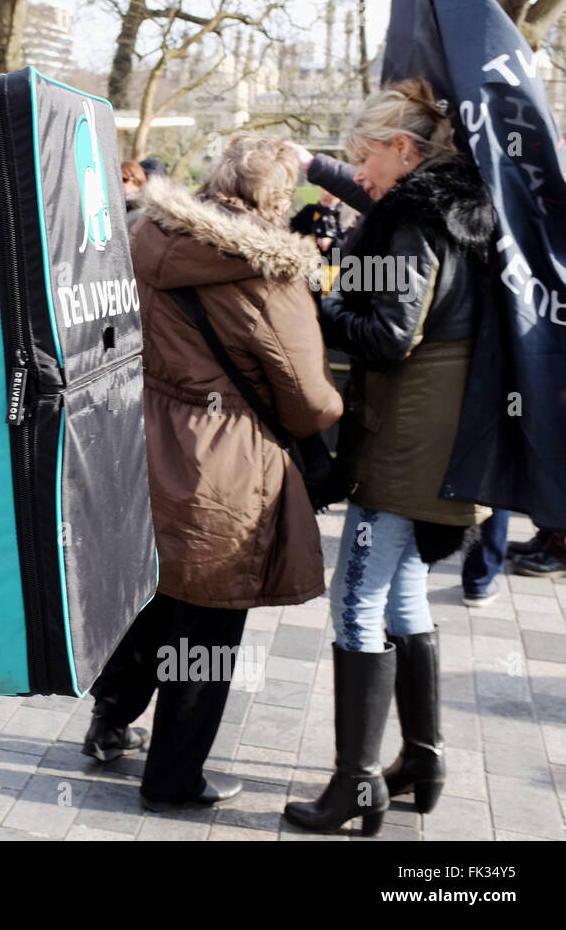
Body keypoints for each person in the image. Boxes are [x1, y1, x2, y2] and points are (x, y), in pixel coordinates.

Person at [81, 134, 343, 811]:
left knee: (154, 594)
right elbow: (309, 398)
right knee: (209, 620)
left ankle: (110, 719)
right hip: (222, 462)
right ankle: (172, 778)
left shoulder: (142, 235)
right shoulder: (270, 276)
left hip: (142, 438)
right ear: (279, 200)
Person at [282, 79, 496, 835]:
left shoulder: (412, 218)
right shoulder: (454, 206)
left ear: (403, 151)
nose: (360, 176)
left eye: (364, 159)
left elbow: (386, 334)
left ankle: (357, 786)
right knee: (403, 596)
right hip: (441, 431)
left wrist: (316, 299)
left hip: (408, 438)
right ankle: (424, 759)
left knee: (356, 602)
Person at [291, 188, 348, 253]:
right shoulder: (309, 211)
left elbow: (355, 250)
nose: (326, 194)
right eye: (324, 188)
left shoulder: (347, 217)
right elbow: (291, 232)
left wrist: (333, 245)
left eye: (331, 190)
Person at [121, 160, 147, 231]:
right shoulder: (116, 202)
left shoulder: (142, 209)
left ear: (135, 180)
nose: (120, 183)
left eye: (124, 179)